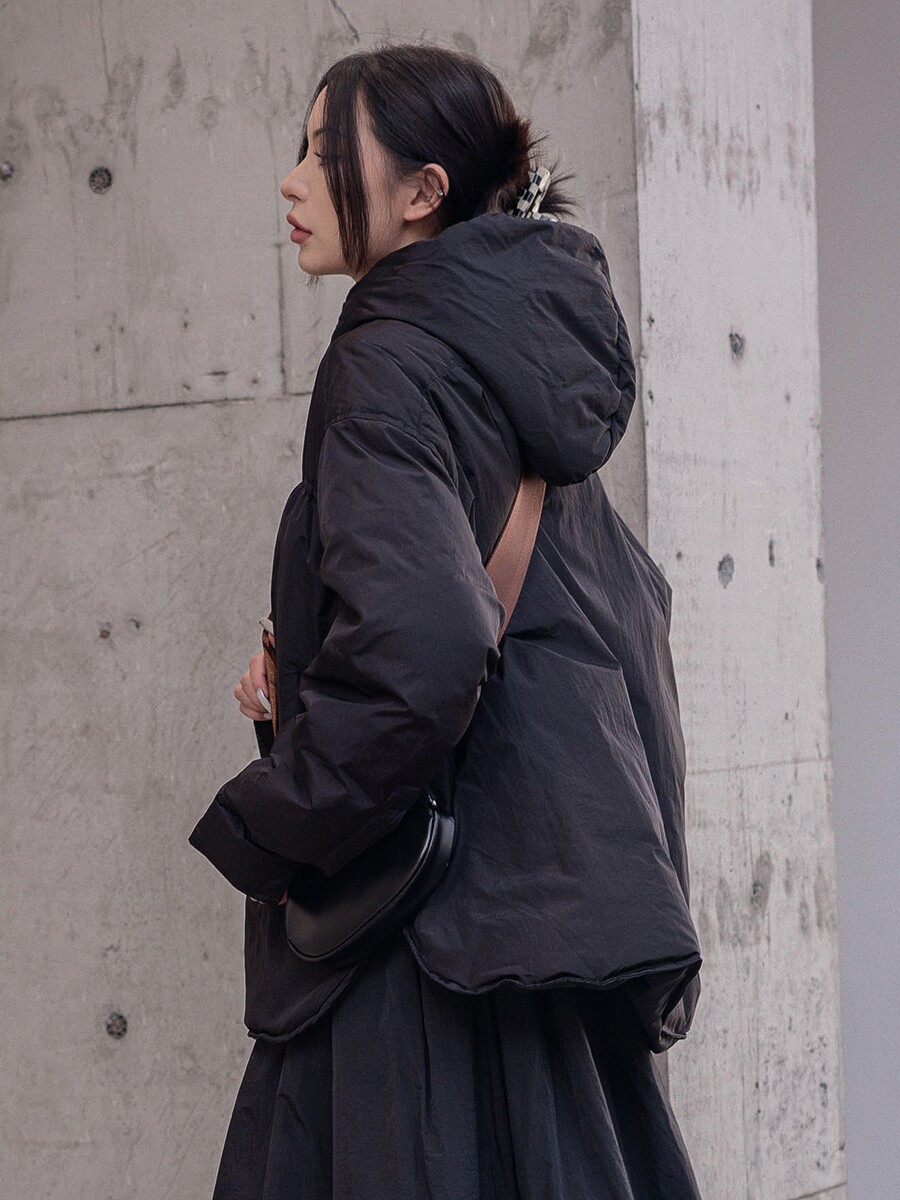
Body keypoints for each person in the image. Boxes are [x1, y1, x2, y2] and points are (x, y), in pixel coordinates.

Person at [189, 43, 703, 1200]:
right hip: (537, 951)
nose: (293, 180)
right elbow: (614, 637)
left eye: (323, 150)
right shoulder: (519, 371)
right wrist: (306, 680)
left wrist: (278, 817)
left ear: (423, 190)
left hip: (417, 982)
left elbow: (423, 652)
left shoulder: (386, 365)